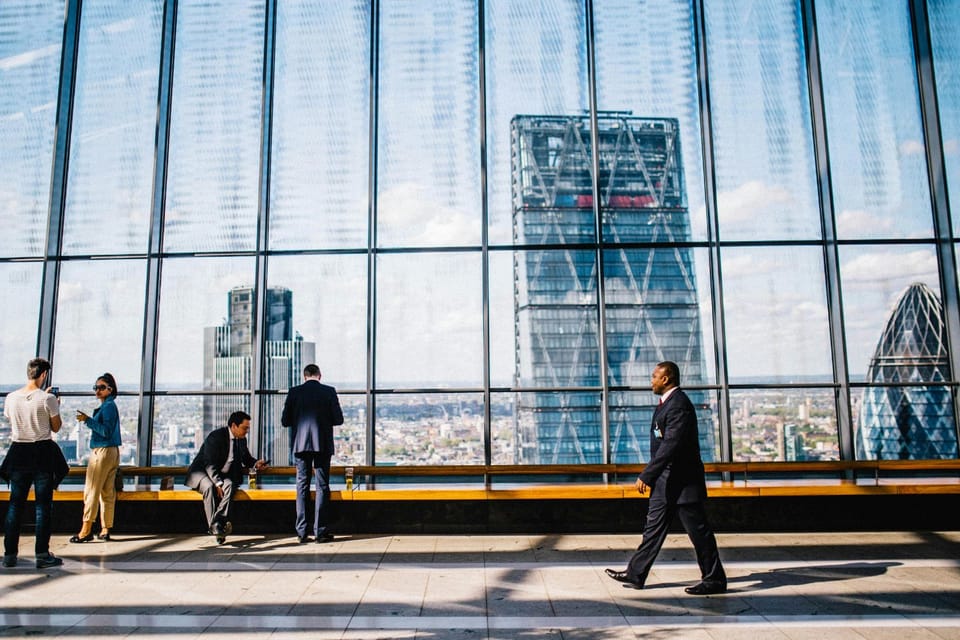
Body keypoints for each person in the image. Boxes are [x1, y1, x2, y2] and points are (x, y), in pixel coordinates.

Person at [605, 361, 727, 595]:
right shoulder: (667, 404)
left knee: (699, 533)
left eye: (654, 376)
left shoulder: (678, 405)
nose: (651, 381)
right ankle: (635, 573)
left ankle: (714, 579)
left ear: (666, 379)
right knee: (653, 529)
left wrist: (647, 475)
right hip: (666, 482)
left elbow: (671, 445)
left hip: (683, 483)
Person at [1, 358, 69, 569]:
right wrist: (55, 405)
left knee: (15, 505)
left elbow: (11, 420)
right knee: (42, 507)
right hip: (41, 453)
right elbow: (56, 427)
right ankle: (42, 554)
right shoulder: (47, 399)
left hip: (18, 452)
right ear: (44, 375)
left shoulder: (11, 398)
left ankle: (9, 554)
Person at [281, 364, 343, 543]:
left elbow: (285, 421)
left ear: (304, 376)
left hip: (300, 445)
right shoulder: (329, 391)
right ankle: (320, 531)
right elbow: (338, 419)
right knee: (322, 486)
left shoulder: (294, 392)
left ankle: (301, 532)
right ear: (320, 376)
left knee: (302, 486)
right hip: (322, 444)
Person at [184, 411, 267, 544]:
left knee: (230, 485)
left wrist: (256, 463)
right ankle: (218, 528)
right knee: (210, 487)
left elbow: (246, 458)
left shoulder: (241, 440)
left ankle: (216, 524)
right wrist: (218, 483)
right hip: (202, 473)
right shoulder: (216, 436)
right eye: (244, 428)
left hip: (222, 475)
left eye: (248, 428)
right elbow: (209, 463)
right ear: (234, 426)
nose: (247, 431)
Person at [71, 373, 121, 543]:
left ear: (110, 389)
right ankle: (106, 528)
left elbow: (105, 431)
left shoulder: (107, 407)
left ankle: (86, 530)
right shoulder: (110, 406)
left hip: (102, 452)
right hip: (112, 452)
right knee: (107, 491)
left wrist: (87, 420)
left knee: (92, 490)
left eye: (101, 387)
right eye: (96, 388)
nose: (97, 391)